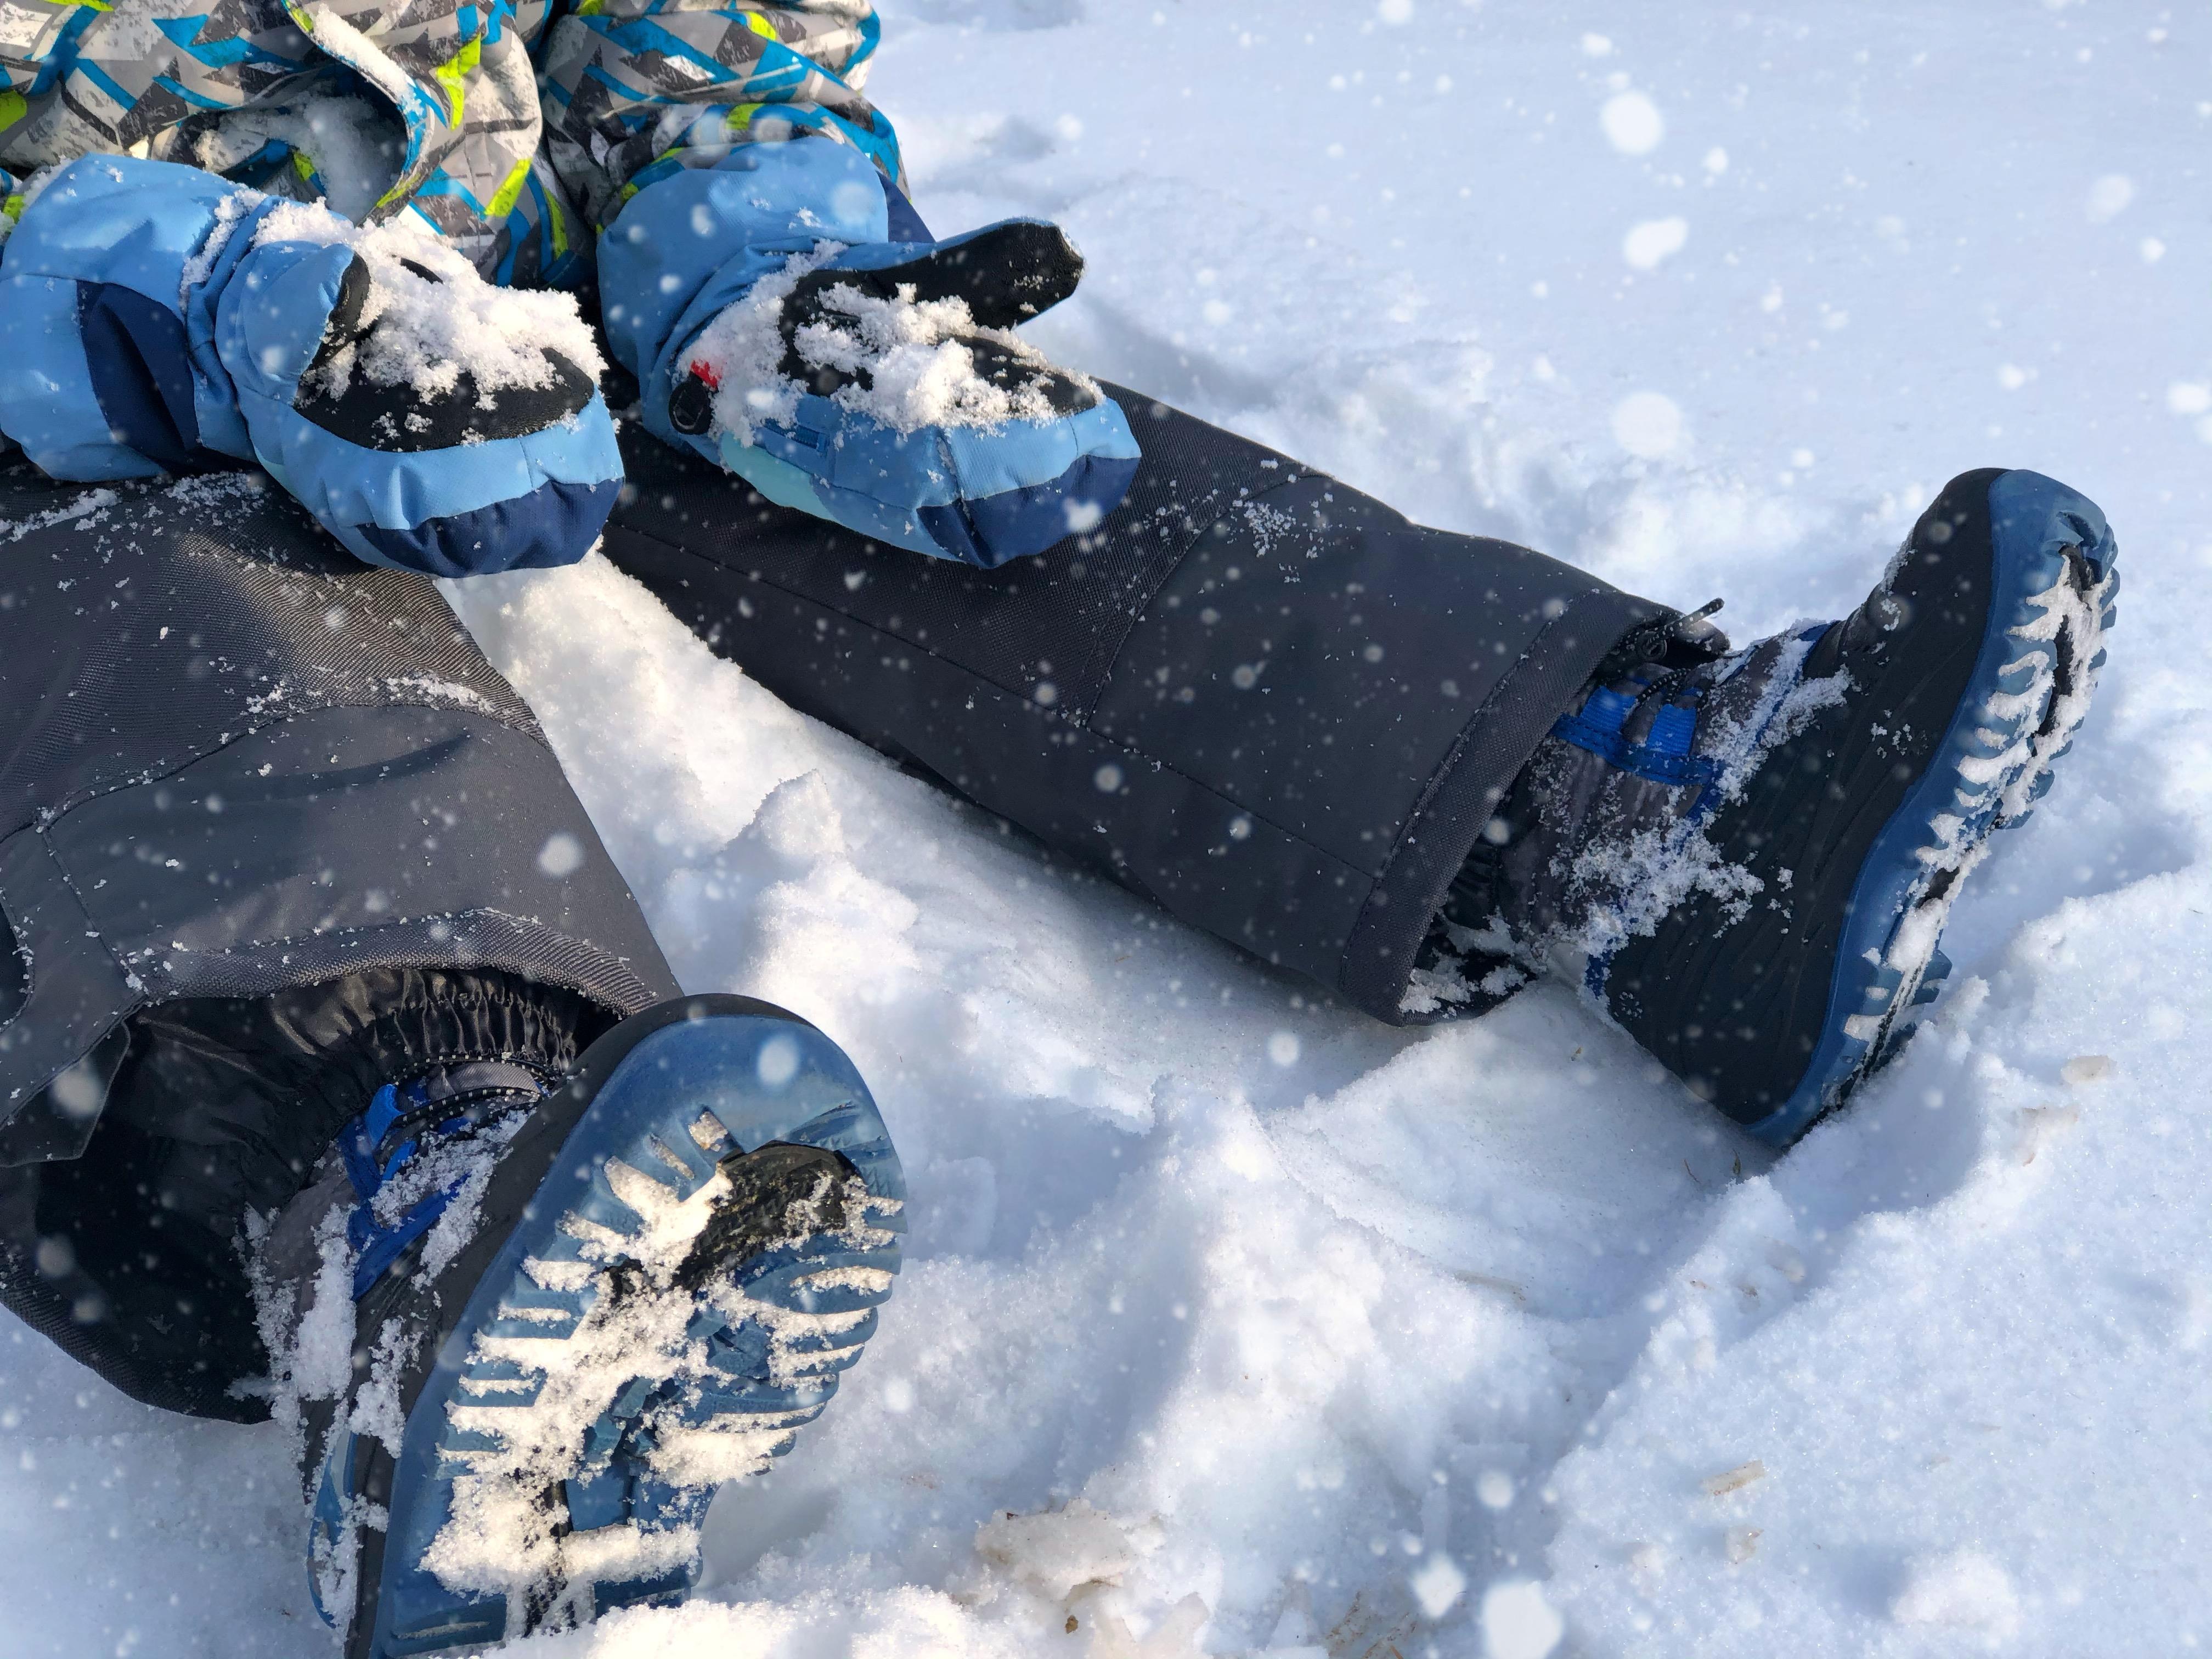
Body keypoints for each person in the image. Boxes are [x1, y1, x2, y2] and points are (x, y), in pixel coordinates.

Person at [0, 4, 2119, 1658]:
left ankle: (1647, 833)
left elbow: (689, 55)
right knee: (185, 619)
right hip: (66, 443)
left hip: (497, 345)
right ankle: (427, 1229)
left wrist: (752, 278)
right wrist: (162, 296)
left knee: (942, 467)